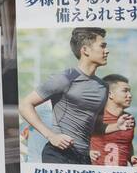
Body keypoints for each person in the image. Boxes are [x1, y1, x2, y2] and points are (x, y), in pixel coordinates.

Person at [20, 27, 130, 164]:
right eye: (102, 46)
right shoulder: (66, 77)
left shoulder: (103, 87)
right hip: (58, 155)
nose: (107, 50)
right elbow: (25, 105)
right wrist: (51, 136)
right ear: (85, 50)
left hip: (84, 158)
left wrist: (116, 126)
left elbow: (94, 127)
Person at [90, 74, 137, 166]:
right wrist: (88, 152)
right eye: (125, 91)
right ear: (110, 94)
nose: (130, 95)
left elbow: (127, 144)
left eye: (130, 91)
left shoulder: (129, 118)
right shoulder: (94, 116)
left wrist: (131, 159)